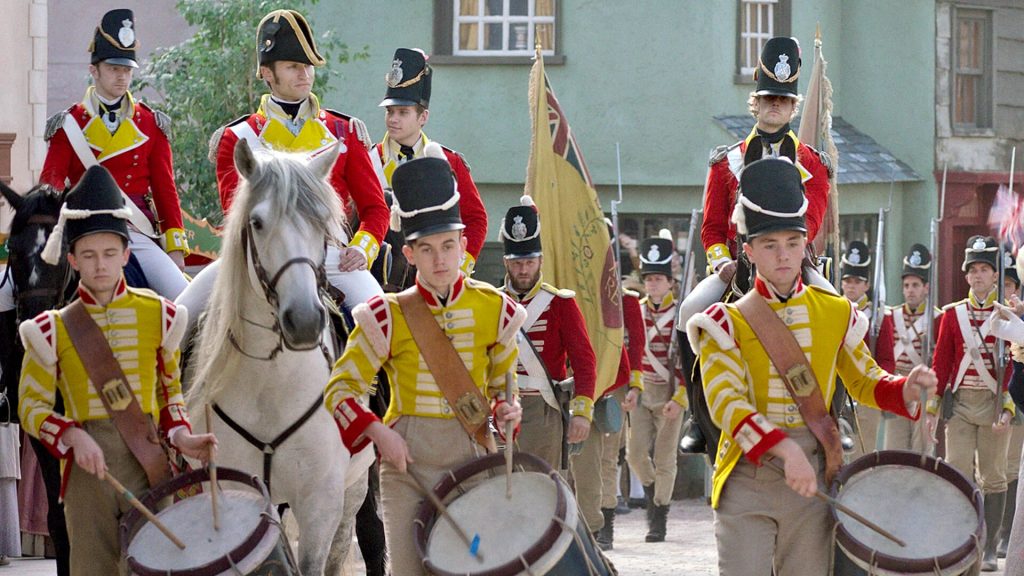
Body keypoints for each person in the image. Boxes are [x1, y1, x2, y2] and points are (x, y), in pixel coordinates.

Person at [688, 157, 935, 575]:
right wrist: (783, 449)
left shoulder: (836, 311)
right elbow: (726, 403)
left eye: (792, 242)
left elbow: (864, 379)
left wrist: (904, 389)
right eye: (769, 245)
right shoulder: (723, 323)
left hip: (815, 471)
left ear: (806, 245)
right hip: (748, 476)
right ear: (748, 251)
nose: (783, 255)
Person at [322, 156, 524, 576]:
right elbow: (339, 390)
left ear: (464, 246)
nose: (440, 261)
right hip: (406, 461)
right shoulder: (386, 315)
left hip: (472, 455)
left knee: (475, 568)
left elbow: (505, 390)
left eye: (449, 246)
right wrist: (378, 432)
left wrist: (508, 412)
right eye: (427, 250)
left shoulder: (497, 311)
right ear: (410, 254)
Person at [17, 166, 216, 576]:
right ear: (71, 260)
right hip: (86, 470)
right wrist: (70, 435)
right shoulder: (50, 329)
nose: (100, 265)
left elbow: (169, 395)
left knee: (154, 567)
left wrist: (182, 435)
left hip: (147, 461)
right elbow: (31, 406)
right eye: (88, 256)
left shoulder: (160, 316)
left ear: (126, 254)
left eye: (110, 254)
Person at [181, 9, 388, 327]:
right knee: (179, 319)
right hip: (257, 259)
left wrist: (362, 248)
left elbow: (375, 208)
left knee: (384, 323)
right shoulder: (238, 139)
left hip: (331, 257)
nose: (304, 75)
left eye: (308, 66)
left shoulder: (345, 132)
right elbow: (235, 214)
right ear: (266, 72)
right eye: (293, 67)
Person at [38, 9, 189, 300]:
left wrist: (174, 249)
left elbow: (165, 192)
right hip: (82, 228)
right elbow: (50, 189)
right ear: (94, 70)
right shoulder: (68, 125)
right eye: (113, 69)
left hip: (135, 230)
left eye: (127, 70)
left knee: (185, 300)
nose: (122, 77)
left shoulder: (150, 124)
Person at [701, 37, 831, 274]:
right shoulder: (724, 164)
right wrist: (721, 263)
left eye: (784, 100)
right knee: (691, 307)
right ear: (756, 103)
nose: (776, 104)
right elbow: (712, 227)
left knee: (835, 305)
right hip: (735, 264)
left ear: (793, 108)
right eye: (769, 98)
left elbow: (810, 223)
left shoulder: (815, 165)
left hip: (793, 263)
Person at [931, 235, 1016, 571]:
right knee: (957, 471)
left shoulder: (1008, 315)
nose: (979, 276)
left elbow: (1013, 363)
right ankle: (961, 539)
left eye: (985, 269)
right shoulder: (953, 316)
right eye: (974, 270)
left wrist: (1008, 408)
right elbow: (941, 363)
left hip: (995, 403)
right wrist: (932, 410)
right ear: (966, 276)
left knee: (994, 477)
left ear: (995, 275)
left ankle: (991, 546)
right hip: (963, 404)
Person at [498, 196, 596, 468]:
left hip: (543, 408)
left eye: (529, 262)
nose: (524, 269)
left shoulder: (559, 303)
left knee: (546, 491)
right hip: (499, 408)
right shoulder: (493, 302)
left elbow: (584, 362)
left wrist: (581, 412)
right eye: (517, 263)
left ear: (540, 260)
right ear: (507, 262)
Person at [376, 48, 488, 274]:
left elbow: (476, 220)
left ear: (423, 117)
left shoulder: (449, 162)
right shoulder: (370, 159)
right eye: (390, 112)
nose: (393, 119)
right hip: (381, 275)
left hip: (437, 272)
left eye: (402, 112)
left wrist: (460, 268)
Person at [624, 232, 687, 543]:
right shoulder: (635, 310)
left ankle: (659, 516)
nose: (652, 284)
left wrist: (680, 398)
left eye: (659, 279)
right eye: (648, 279)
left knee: (665, 460)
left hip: (671, 395)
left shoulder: (681, 315)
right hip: (642, 390)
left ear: (670, 282)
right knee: (635, 455)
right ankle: (651, 493)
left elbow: (690, 363)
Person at [595, 277, 644, 550]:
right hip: (580, 378)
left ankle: (605, 523)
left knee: (607, 455)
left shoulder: (626, 300)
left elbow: (636, 344)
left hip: (614, 381)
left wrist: (634, 385)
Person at [876, 243, 940, 452]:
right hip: (898, 386)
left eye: (915, 285)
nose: (910, 290)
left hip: (924, 387)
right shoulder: (890, 317)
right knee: (894, 450)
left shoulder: (938, 318)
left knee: (921, 451)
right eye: (907, 285)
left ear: (926, 287)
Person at [838, 240, 893, 455]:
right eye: (847, 280)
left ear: (867, 285)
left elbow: (887, 359)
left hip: (866, 393)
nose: (851, 285)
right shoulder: (833, 311)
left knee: (863, 455)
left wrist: (876, 387)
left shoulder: (878, 316)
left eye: (857, 281)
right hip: (837, 394)